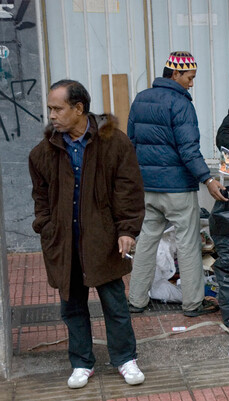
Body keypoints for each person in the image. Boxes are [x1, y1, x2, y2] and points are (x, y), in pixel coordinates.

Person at [29, 80, 146, 389]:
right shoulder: (44, 152)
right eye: (50, 109)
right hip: (64, 241)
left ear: (79, 109)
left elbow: (129, 191)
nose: (52, 116)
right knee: (72, 305)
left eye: (58, 109)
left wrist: (127, 230)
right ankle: (81, 362)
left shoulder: (115, 143)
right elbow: (40, 196)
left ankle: (125, 358)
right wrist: (46, 226)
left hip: (103, 239)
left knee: (114, 303)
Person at [127, 51, 225, 317]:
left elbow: (131, 144)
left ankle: (136, 300)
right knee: (188, 244)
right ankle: (193, 303)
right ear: (175, 74)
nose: (192, 83)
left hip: (148, 188)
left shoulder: (140, 99)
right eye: (189, 77)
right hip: (177, 189)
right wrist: (208, 178)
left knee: (146, 241)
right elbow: (188, 149)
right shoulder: (180, 104)